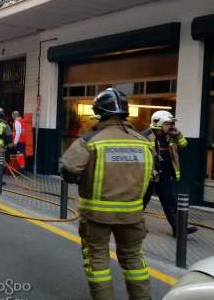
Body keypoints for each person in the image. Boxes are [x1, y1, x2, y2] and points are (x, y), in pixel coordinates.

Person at [59, 88, 154, 300]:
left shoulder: (91, 140)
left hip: (96, 216)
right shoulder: (143, 142)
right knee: (134, 260)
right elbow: (152, 176)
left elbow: (68, 169)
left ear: (99, 112)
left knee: (97, 261)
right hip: (133, 215)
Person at [142, 110, 198, 237]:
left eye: (171, 124)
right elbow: (141, 156)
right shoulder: (145, 135)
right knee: (142, 202)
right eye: (168, 123)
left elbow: (184, 144)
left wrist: (178, 135)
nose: (171, 126)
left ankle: (178, 229)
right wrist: (150, 170)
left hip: (165, 175)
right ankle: (134, 227)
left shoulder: (170, 135)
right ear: (159, 123)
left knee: (170, 202)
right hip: (149, 176)